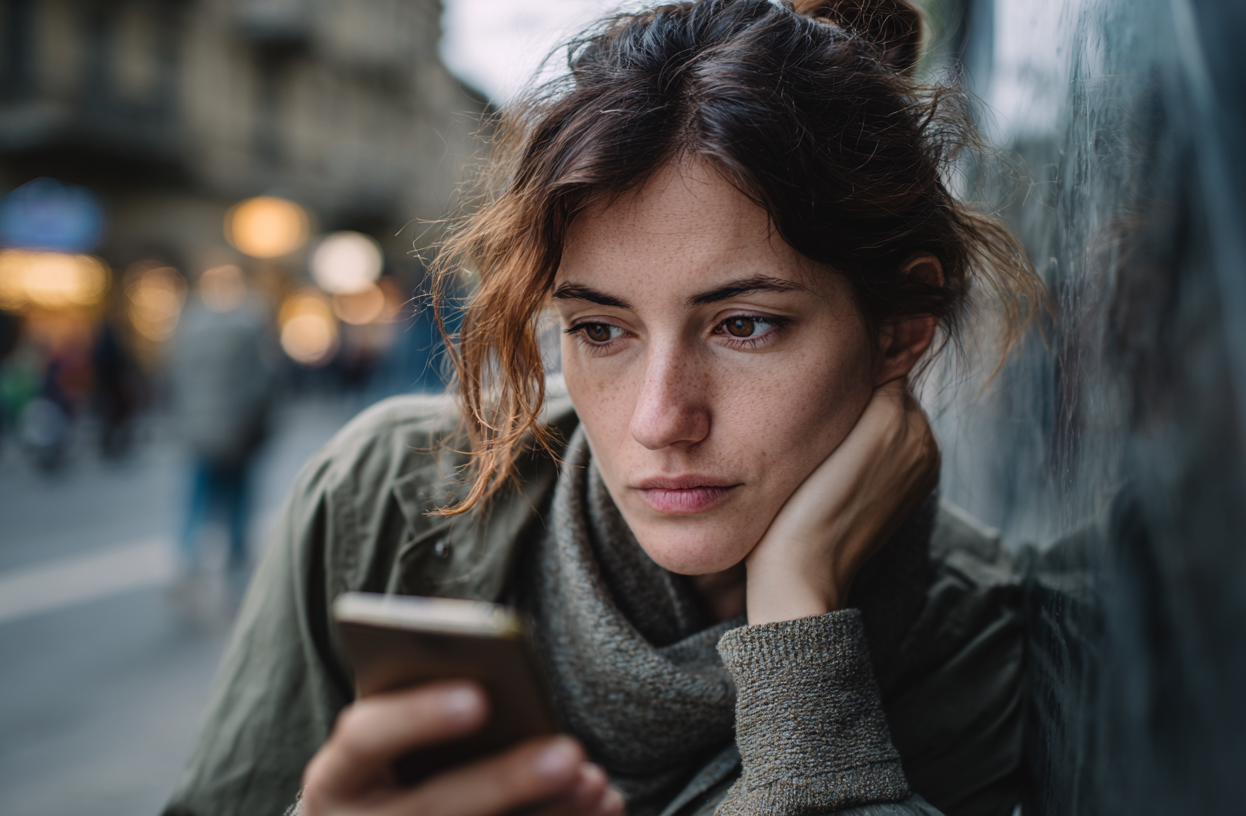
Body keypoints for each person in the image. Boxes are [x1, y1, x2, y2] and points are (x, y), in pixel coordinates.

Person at [163, 1, 1040, 815]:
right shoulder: (388, 500)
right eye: (600, 329)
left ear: (900, 330)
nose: (660, 419)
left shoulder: (968, 638)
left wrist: (800, 630)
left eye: (744, 325)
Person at [168, 263, 278, 578]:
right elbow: (264, 380)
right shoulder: (249, 325)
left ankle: (186, 559)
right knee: (239, 503)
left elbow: (174, 377)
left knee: (199, 498)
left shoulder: (190, 325)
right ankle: (236, 569)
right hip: (238, 431)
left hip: (199, 432)